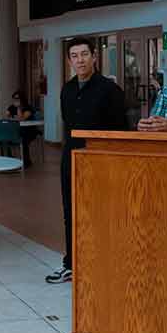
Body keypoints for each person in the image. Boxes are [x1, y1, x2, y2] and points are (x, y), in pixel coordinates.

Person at [47, 38, 126, 284]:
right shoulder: (67, 89)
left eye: (84, 54)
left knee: (101, 213)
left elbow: (120, 130)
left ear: (94, 57)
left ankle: (103, 264)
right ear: (69, 60)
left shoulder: (109, 90)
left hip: (101, 162)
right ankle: (71, 263)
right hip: (71, 159)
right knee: (71, 212)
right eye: (75, 56)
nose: (79, 60)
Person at [6, 89, 39, 168]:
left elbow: (22, 118)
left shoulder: (28, 107)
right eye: (14, 98)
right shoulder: (11, 107)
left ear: (22, 99)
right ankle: (9, 160)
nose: (15, 100)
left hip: (29, 130)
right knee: (5, 137)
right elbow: (8, 116)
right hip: (16, 130)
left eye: (17, 98)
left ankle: (26, 161)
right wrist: (12, 116)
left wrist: (18, 108)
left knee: (23, 139)